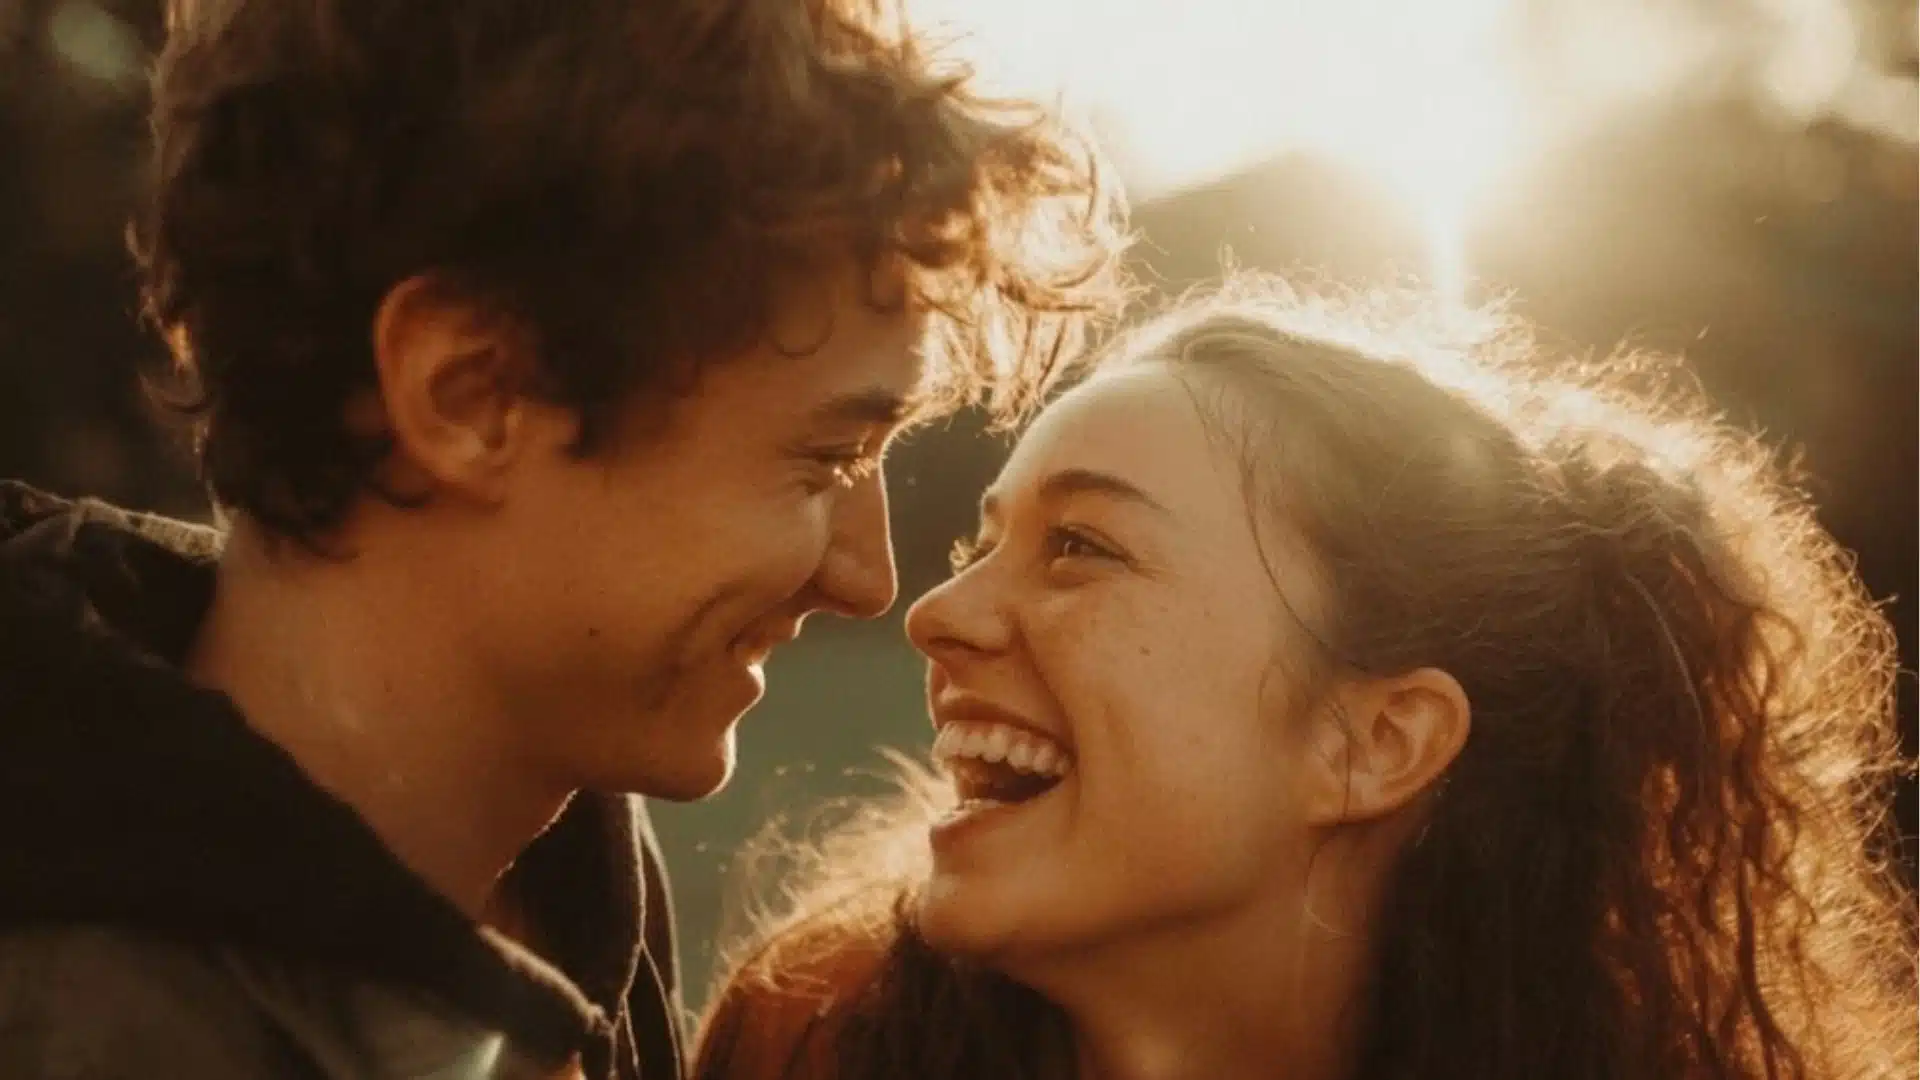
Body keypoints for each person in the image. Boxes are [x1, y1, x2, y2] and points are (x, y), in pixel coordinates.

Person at [0, 0, 1126, 1075]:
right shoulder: (88, 1030)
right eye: (821, 460)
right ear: (471, 395)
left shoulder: (564, 857)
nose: (868, 580)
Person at [692, 280, 1917, 1080]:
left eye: (1082, 549)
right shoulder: (811, 1043)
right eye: (981, 543)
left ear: (1374, 744)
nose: (938, 613)